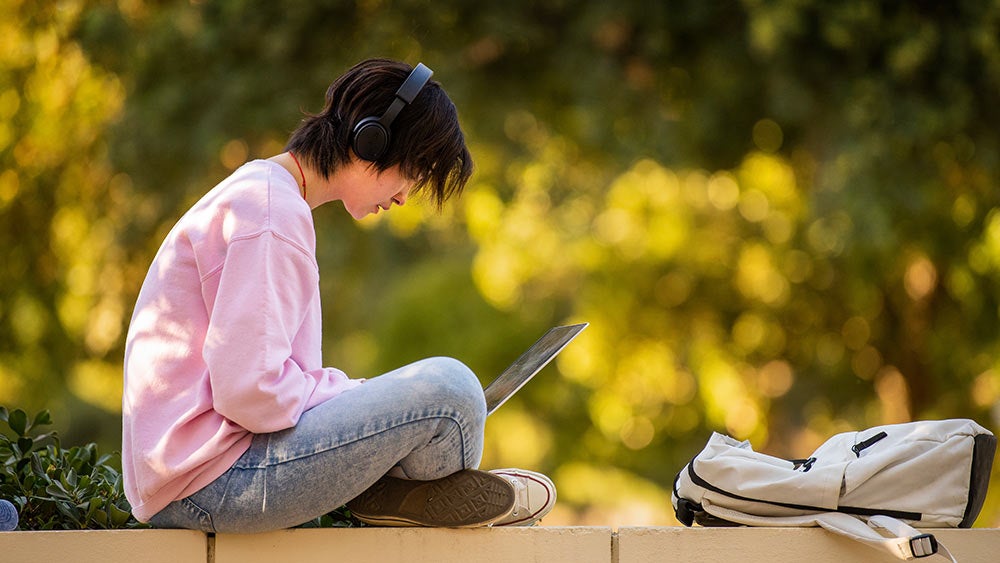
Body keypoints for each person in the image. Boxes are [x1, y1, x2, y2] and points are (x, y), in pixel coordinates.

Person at [121, 58, 556, 533]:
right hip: (214, 482)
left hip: (206, 475)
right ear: (373, 139)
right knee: (452, 392)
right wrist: (355, 394)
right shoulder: (271, 215)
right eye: (413, 171)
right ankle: (431, 502)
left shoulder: (266, 197)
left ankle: (410, 501)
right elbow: (251, 393)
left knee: (443, 401)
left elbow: (264, 385)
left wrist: (355, 402)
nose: (406, 195)